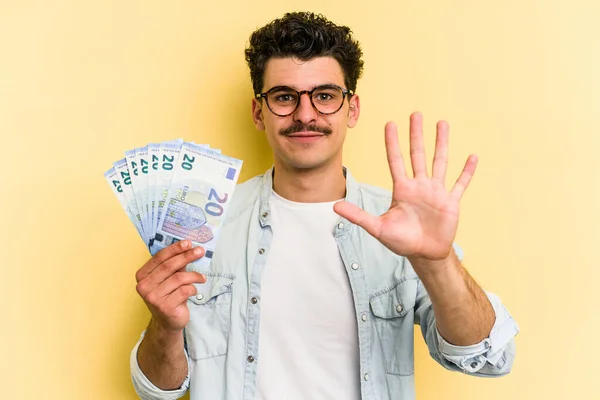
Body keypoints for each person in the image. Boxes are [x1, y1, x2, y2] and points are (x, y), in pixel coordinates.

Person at [129, 11, 519, 400]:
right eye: (284, 97)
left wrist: (437, 261)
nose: (305, 114)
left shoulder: (402, 223)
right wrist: (165, 326)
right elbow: (156, 391)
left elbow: (490, 356)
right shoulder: (203, 224)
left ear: (352, 109)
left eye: (325, 96)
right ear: (257, 112)